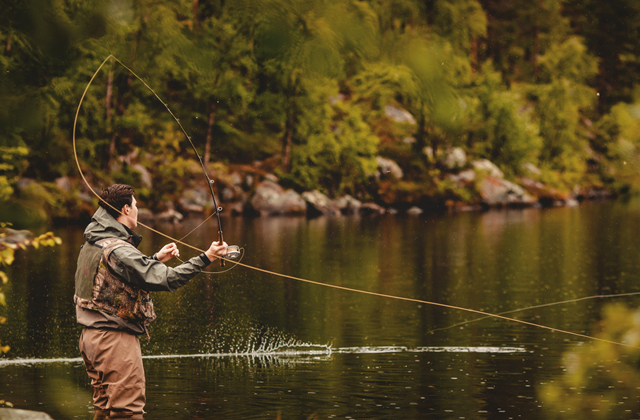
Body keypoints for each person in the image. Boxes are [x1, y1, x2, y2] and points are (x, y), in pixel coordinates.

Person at [74, 184, 228, 419]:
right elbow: (169, 278)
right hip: (114, 342)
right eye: (136, 205)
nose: (137, 210)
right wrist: (206, 257)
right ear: (125, 209)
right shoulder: (119, 250)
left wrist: (154, 259)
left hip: (90, 339)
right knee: (127, 412)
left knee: (105, 410)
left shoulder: (94, 242)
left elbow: (115, 278)